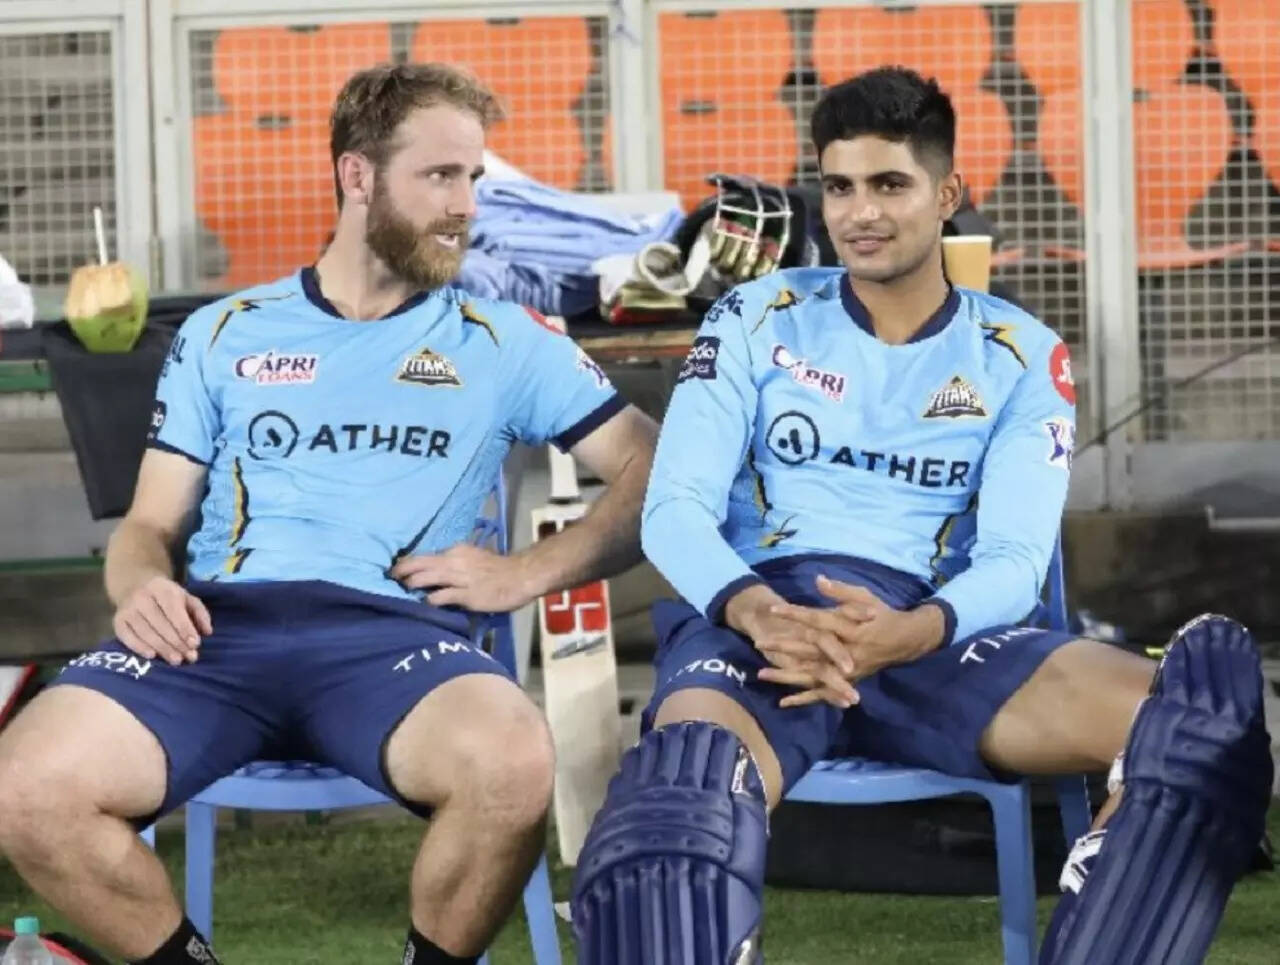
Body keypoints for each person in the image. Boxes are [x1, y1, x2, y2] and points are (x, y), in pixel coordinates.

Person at [570, 67, 1272, 965]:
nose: (860, 213)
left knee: (1201, 730)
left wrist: (913, 630)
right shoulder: (755, 316)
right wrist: (758, 611)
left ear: (947, 194)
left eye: (889, 184)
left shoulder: (1021, 354)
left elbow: (1014, 560)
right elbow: (673, 511)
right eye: (839, 187)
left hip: (940, 631)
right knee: (680, 805)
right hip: (766, 627)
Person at [0, 63, 658, 965]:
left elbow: (654, 466)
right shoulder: (224, 332)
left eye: (473, 178)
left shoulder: (503, 340)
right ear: (358, 175)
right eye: (440, 175)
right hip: (214, 638)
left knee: (511, 759)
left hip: (395, 642)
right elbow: (147, 528)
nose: (465, 205)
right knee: (25, 784)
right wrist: (140, 585)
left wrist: (529, 572)